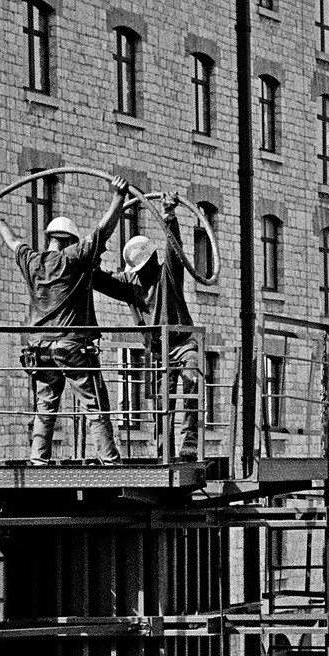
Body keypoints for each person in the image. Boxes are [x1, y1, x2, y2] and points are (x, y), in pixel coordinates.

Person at [0, 177, 130, 464]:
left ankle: (38, 459)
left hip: (38, 350)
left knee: (45, 405)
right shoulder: (72, 258)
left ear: (48, 238)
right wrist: (118, 198)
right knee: (93, 403)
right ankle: (110, 460)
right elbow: (103, 231)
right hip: (70, 346)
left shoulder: (32, 261)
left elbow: (13, 242)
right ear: (69, 241)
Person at [97, 193, 201, 461]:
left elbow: (174, 249)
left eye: (147, 267)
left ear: (154, 259)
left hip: (182, 343)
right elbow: (100, 281)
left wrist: (169, 215)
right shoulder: (130, 285)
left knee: (191, 381)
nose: (145, 273)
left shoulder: (168, 273)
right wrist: (89, 252)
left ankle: (189, 442)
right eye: (140, 270)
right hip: (157, 350)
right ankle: (164, 450)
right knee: (162, 402)